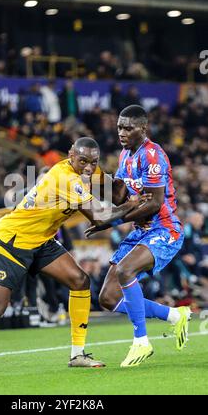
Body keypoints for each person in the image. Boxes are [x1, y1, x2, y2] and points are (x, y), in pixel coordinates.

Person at [0, 137, 149, 368]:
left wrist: (134, 182)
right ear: (70, 155)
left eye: (93, 162)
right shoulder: (65, 178)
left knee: (80, 280)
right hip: (12, 240)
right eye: (83, 161)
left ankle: (78, 354)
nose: (88, 167)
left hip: (42, 240)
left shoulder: (89, 173)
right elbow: (100, 216)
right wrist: (130, 205)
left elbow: (115, 193)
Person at [85, 105, 191, 368]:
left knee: (124, 271)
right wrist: (95, 179)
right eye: (119, 126)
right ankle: (174, 316)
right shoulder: (125, 155)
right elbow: (122, 197)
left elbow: (154, 203)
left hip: (164, 229)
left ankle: (141, 341)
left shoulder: (152, 155)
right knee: (107, 298)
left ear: (143, 129)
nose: (121, 131)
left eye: (128, 127)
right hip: (140, 232)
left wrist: (111, 220)